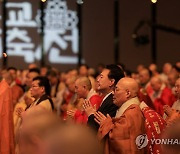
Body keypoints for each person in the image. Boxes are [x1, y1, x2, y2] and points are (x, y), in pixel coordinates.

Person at [95, 77, 146, 154]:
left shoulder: (132, 112)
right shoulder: (130, 110)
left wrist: (106, 123)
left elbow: (119, 138)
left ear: (127, 93)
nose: (113, 92)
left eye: (116, 89)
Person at [83, 64, 125, 131]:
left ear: (111, 82)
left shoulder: (113, 101)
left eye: (101, 77)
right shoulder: (107, 98)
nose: (98, 80)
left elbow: (99, 129)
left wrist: (90, 114)